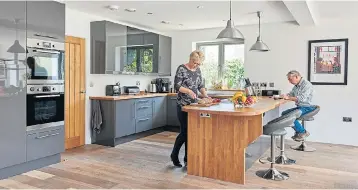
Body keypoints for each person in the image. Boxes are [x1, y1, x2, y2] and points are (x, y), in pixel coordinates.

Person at [170, 50, 210, 167]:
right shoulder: (181, 68)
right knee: (185, 132)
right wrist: (188, 91)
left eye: (199, 64)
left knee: (191, 132)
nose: (197, 65)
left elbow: (200, 86)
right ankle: (174, 154)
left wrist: (205, 95)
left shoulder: (197, 70)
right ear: (191, 59)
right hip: (183, 105)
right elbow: (177, 86)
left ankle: (188, 158)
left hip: (194, 106)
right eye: (196, 63)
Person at [280, 70, 315, 142]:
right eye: (288, 79)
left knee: (290, 116)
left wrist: (288, 98)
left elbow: (302, 98)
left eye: (290, 79)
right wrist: (285, 95)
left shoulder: (306, 84)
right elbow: (292, 94)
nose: (289, 81)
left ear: (296, 77)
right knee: (284, 113)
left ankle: (302, 132)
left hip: (307, 107)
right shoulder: (296, 85)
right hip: (300, 107)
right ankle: (299, 132)